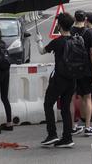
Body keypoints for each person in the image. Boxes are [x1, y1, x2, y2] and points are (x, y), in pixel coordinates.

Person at [37, 12, 77, 148]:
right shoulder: (76, 40)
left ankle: (52, 134)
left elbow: (42, 51)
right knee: (65, 108)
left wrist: (39, 40)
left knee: (48, 103)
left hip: (59, 79)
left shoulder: (58, 41)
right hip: (72, 79)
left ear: (59, 26)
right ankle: (67, 137)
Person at [70, 10, 92, 136]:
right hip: (85, 70)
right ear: (85, 19)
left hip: (71, 70)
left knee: (71, 98)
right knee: (87, 98)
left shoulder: (69, 31)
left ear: (74, 18)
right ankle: (87, 127)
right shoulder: (89, 33)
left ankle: (72, 126)